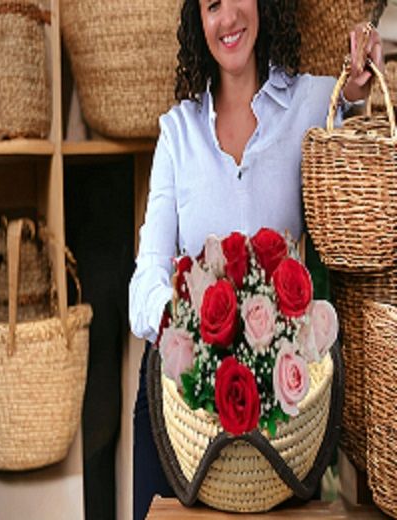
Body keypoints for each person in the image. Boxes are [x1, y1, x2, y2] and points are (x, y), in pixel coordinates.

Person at [129, 1, 383, 518]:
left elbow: (354, 119)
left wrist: (360, 83)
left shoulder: (311, 103)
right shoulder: (178, 132)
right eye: (211, 5)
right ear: (198, 22)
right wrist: (196, 331)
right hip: (185, 405)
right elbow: (146, 279)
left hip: (282, 410)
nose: (228, 19)